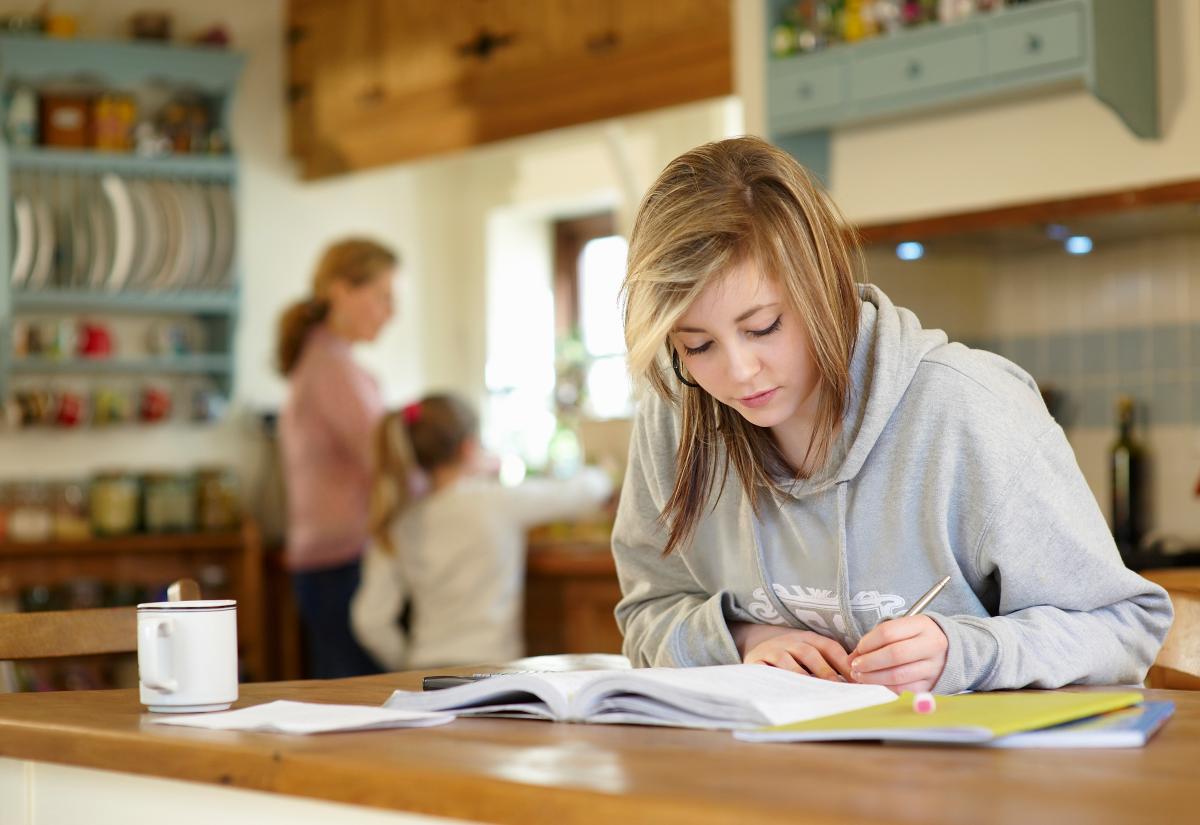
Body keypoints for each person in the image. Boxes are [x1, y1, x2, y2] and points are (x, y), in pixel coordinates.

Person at [612, 137, 1172, 695]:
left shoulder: (971, 408)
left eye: (763, 328)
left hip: (970, 775)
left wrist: (964, 652)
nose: (738, 373)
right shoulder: (678, 418)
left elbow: (1124, 628)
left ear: (822, 287)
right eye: (697, 345)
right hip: (766, 771)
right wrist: (741, 639)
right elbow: (647, 612)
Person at [351, 394, 613, 670]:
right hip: (492, 671)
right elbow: (580, 494)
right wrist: (605, 471)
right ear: (468, 447)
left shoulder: (400, 524)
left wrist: (405, 664)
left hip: (423, 673)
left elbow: (369, 620)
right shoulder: (496, 502)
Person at [278, 237, 398, 678]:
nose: (392, 311)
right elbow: (387, 461)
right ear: (341, 290)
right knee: (361, 709)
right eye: (383, 296)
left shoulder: (324, 361)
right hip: (340, 565)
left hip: (326, 562)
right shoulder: (332, 368)